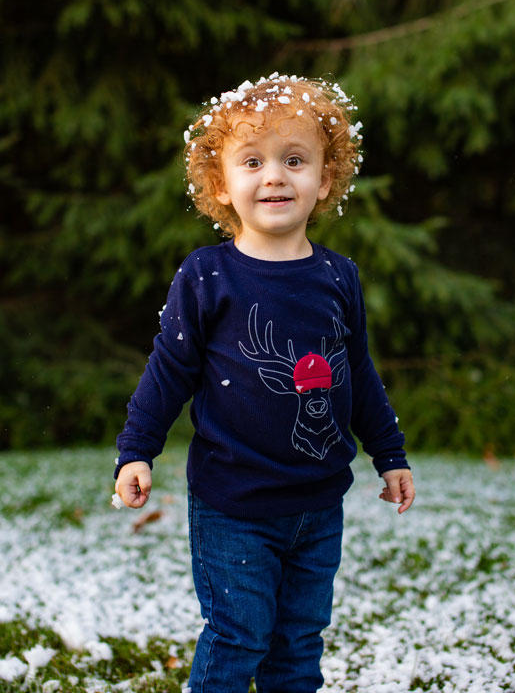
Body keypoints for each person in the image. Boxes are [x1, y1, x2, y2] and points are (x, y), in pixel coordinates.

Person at [114, 73, 415, 693]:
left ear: (325, 180)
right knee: (240, 634)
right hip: (234, 505)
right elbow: (169, 369)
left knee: (299, 642)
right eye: (253, 161)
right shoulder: (207, 276)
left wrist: (390, 454)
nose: (274, 176)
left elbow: (356, 369)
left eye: (294, 160)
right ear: (221, 184)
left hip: (318, 502)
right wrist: (137, 450)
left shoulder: (339, 277)